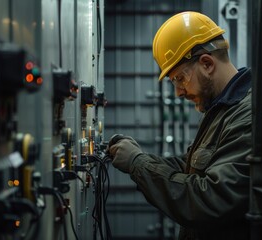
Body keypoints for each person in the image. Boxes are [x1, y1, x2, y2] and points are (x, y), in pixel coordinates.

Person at [108, 11, 252, 240]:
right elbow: (189, 167)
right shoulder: (221, 111)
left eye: (180, 79)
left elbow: (209, 199)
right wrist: (139, 158)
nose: (178, 92)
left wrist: (138, 164)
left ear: (206, 63)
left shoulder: (245, 116)